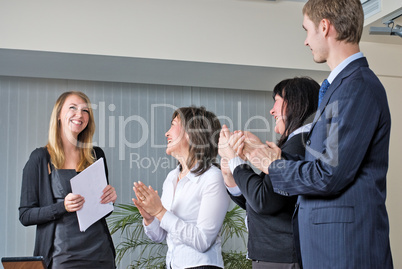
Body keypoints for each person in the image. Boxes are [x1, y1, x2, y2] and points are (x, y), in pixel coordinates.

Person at [239, 0, 394, 268]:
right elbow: (327, 165)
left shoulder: (356, 87)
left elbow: (329, 175)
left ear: (324, 27)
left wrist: (273, 166)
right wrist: (277, 159)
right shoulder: (341, 87)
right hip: (328, 247)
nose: (306, 41)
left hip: (344, 248)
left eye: (306, 30)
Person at [218, 77, 319, 269]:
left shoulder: (298, 146)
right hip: (278, 256)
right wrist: (230, 172)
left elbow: (263, 201)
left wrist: (235, 160)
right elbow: (258, 200)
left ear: (294, 103)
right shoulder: (296, 144)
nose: (271, 110)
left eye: (277, 101)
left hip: (282, 258)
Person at [19, 91, 117, 268]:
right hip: (62, 255)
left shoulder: (96, 155)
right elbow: (25, 215)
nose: (80, 114)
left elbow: (103, 210)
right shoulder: (40, 158)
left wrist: (109, 200)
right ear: (58, 115)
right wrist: (62, 207)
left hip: (100, 252)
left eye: (85, 110)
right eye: (73, 108)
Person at [132, 106, 230, 269]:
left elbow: (203, 241)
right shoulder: (172, 177)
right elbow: (160, 235)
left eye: (173, 124)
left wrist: (160, 212)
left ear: (192, 133)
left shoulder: (213, 177)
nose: (166, 133)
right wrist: (150, 218)